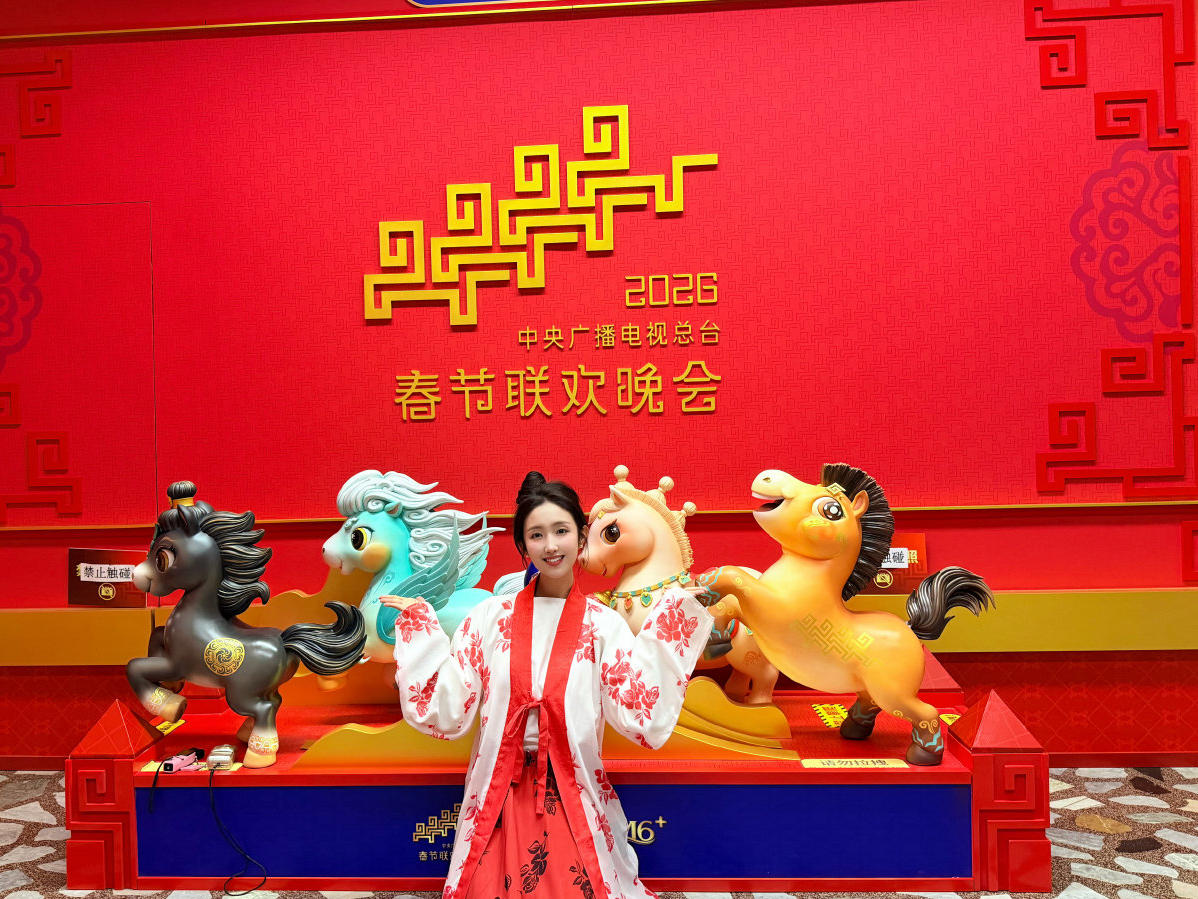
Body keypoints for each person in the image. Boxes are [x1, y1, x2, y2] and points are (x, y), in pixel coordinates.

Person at [380, 471, 713, 899]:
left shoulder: (604, 625)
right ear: (523, 547)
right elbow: (452, 703)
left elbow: (637, 706)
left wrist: (675, 618)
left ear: (581, 537)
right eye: (536, 535)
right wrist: (422, 630)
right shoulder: (490, 618)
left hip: (569, 786)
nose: (551, 546)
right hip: (501, 787)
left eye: (561, 531)